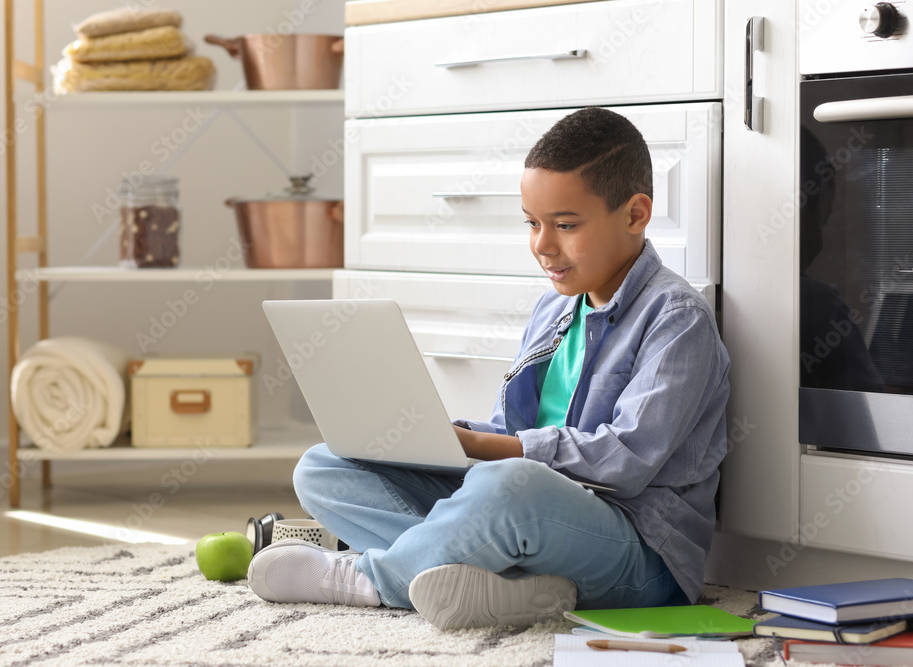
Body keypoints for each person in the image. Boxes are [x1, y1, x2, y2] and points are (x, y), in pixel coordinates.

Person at [246, 107, 731, 631]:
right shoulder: (555, 309)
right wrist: (438, 438)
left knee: (512, 487)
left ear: (635, 215)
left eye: (565, 225)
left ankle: (368, 579)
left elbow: (626, 462)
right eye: (533, 223)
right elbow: (508, 433)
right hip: (533, 519)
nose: (543, 245)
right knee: (325, 466)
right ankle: (502, 582)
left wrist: (483, 450)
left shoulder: (677, 318)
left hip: (639, 557)